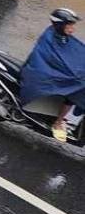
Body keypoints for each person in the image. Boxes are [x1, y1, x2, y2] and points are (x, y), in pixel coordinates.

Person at [20, 8, 85, 140]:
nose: (72, 29)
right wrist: (75, 74)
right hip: (40, 74)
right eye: (69, 25)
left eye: (73, 25)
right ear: (60, 25)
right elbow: (57, 61)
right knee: (77, 87)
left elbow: (76, 53)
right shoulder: (49, 39)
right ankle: (58, 122)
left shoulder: (63, 37)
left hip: (53, 71)